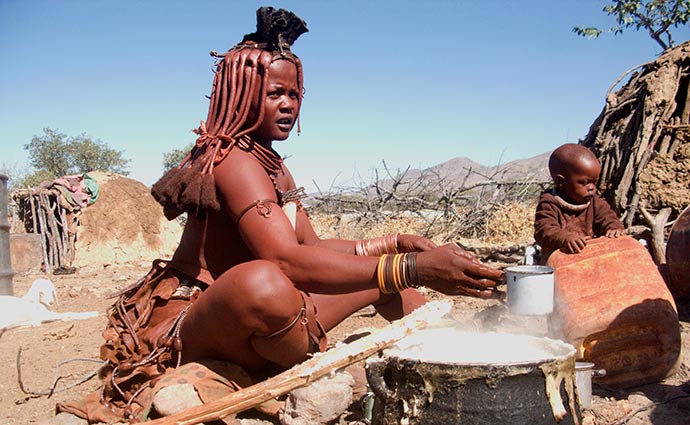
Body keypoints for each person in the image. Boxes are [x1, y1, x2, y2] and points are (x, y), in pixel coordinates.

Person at [58, 7, 504, 423]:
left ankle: (451, 351)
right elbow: (288, 263)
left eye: (294, 93)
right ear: (242, 93)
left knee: (369, 277)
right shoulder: (232, 160)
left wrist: (392, 244)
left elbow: (310, 249)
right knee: (266, 281)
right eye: (275, 93)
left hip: (270, 319)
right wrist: (410, 267)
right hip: (201, 320)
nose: (289, 104)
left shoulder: (271, 163)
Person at [533, 143, 625, 262]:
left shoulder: (594, 202)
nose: (591, 188)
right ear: (561, 182)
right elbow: (544, 230)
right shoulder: (549, 204)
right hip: (561, 260)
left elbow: (607, 217)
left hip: (590, 258)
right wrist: (564, 238)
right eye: (584, 182)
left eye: (594, 182)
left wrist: (614, 227)